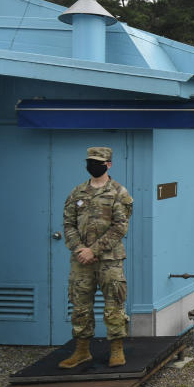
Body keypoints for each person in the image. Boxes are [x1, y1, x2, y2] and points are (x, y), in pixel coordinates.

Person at [58, 147, 134, 369]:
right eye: (90, 161)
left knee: (114, 304)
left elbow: (120, 227)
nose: (93, 165)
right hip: (81, 261)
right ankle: (82, 351)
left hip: (110, 260)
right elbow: (68, 224)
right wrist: (80, 249)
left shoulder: (119, 193)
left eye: (98, 162)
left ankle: (117, 350)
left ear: (108, 164)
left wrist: (95, 250)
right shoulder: (77, 193)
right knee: (80, 306)